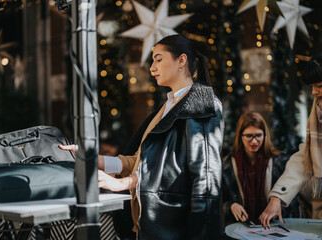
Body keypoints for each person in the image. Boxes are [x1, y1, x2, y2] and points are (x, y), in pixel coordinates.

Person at [61, 34, 225, 239]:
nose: (152, 67)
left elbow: (205, 176)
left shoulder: (203, 105)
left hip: (176, 226)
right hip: (149, 223)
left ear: (181, 60)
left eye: (158, 59)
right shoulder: (167, 108)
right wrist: (93, 159)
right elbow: (137, 162)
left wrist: (124, 183)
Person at [259, 52, 322, 228]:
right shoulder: (318, 109)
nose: (314, 91)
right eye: (312, 86)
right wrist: (278, 196)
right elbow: (306, 155)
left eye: (319, 85)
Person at [222, 112, 299, 225]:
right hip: (240, 227)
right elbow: (217, 201)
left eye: (258, 135)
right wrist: (230, 206)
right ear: (240, 136)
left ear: (265, 135)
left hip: (275, 226)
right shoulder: (226, 165)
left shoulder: (281, 162)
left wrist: (277, 209)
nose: (254, 141)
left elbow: (294, 200)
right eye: (249, 136)